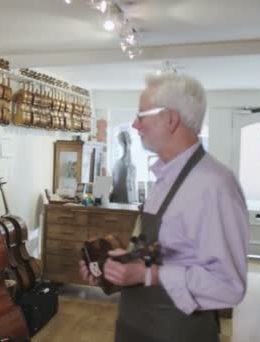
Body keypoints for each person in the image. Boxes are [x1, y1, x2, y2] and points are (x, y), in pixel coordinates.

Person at [79, 73, 249, 342]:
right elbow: (168, 252)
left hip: (176, 332)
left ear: (171, 119)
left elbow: (228, 286)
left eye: (142, 115)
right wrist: (119, 265)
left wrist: (148, 275)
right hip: (136, 326)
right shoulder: (164, 178)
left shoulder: (214, 185)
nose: (135, 125)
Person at [110, 131, 137, 203]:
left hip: (120, 200)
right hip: (129, 199)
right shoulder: (129, 164)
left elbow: (115, 184)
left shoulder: (120, 164)